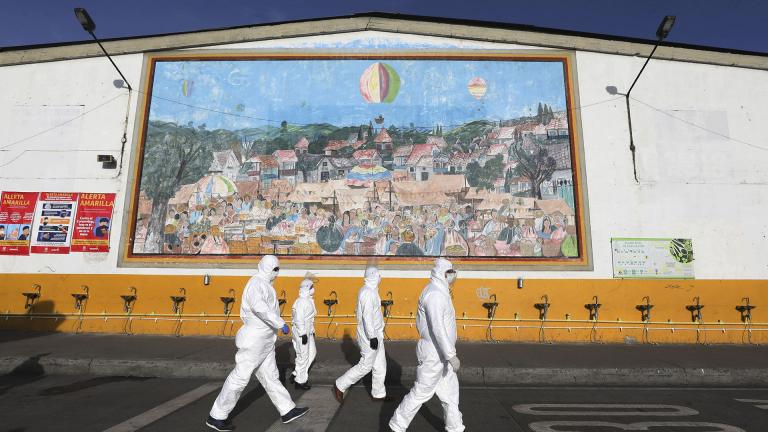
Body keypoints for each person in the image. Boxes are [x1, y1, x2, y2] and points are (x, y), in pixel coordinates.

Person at [206, 255, 309, 431]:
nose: (278, 273)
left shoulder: (265, 284)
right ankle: (217, 416)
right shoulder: (256, 284)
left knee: (271, 377)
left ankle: (287, 410)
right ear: (268, 268)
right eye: (276, 269)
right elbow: (259, 307)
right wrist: (280, 323)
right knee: (240, 376)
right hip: (255, 339)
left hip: (265, 340)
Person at [389, 258, 464, 432]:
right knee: (421, 391)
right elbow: (438, 328)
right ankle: (396, 426)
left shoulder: (440, 291)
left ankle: (455, 427)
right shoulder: (435, 295)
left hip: (441, 354)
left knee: (450, 392)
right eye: (449, 273)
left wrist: (448, 355)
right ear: (441, 273)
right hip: (434, 354)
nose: (452, 276)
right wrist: (451, 354)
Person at [333, 266, 388, 403]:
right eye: (378, 275)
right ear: (373, 276)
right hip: (369, 337)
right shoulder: (367, 293)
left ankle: (378, 394)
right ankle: (340, 385)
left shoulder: (372, 291)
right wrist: (372, 336)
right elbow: (367, 316)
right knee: (365, 366)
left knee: (380, 366)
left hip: (376, 334)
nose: (380, 277)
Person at [290, 277, 317, 390]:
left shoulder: (308, 300)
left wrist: (312, 331)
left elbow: (310, 319)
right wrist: (303, 334)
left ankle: (296, 373)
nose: (313, 289)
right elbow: (298, 319)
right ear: (307, 289)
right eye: (312, 287)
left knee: (312, 353)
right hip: (302, 332)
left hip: (308, 331)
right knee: (303, 356)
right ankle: (300, 381)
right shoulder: (301, 302)